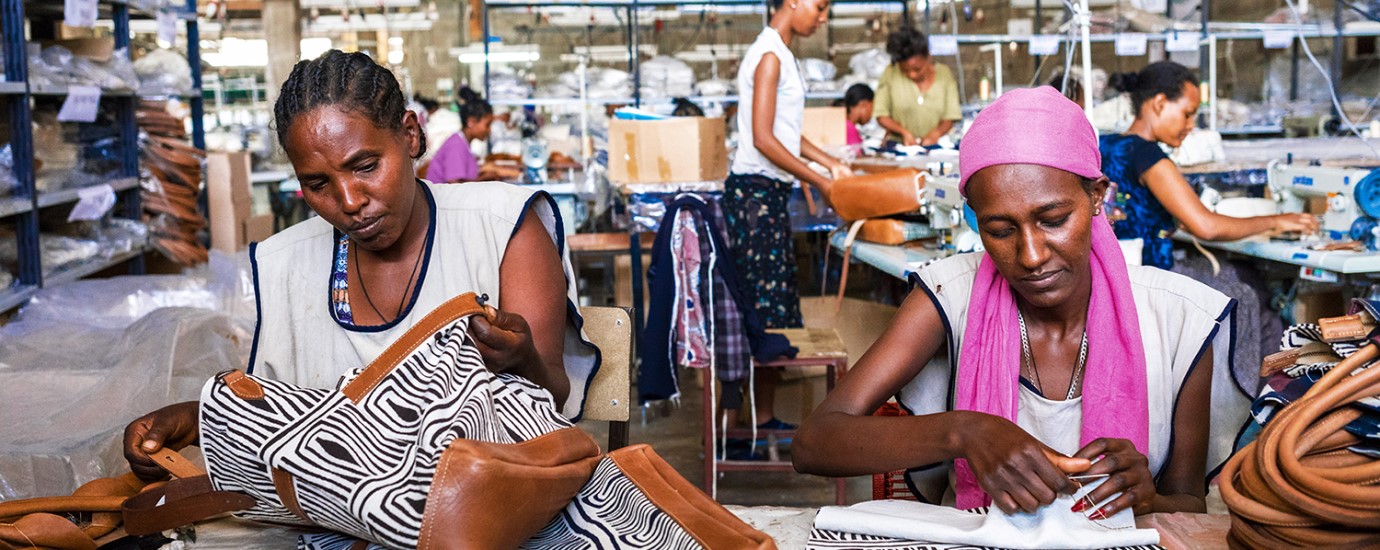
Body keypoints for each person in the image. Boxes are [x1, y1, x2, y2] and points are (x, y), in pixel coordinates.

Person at [121, 50, 598, 480]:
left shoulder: (501, 226)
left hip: (485, 500)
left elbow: (552, 397)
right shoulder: (286, 262)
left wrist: (523, 360)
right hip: (342, 516)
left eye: (366, 166)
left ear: (411, 136)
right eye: (317, 184)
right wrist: (199, 419)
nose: (349, 202)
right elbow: (289, 423)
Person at [794, 87, 1250, 518]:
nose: (1031, 256)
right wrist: (965, 432)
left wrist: (1148, 499)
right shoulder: (949, 297)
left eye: (1053, 220)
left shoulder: (1177, 321)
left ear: (1096, 196)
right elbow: (814, 443)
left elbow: (1189, 503)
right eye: (1000, 230)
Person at [723, 0, 850, 446]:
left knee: (773, 306)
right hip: (756, 198)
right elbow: (762, 138)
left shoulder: (779, 52)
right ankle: (740, 427)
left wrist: (829, 161)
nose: (823, 17)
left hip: (766, 195)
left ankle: (760, 420)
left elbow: (785, 131)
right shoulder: (771, 56)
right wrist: (819, 179)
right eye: (819, 6)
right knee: (764, 310)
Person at [1101, 61, 1317, 270]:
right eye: (1187, 114)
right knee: (1245, 286)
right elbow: (1207, 227)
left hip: (1115, 274)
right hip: (1149, 280)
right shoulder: (1148, 156)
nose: (1190, 125)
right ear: (1160, 104)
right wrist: (1276, 222)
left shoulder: (1106, 145)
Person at [874, 27, 962, 147]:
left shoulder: (944, 74)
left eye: (917, 69)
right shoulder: (890, 73)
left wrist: (935, 134)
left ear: (928, 57)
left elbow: (950, 116)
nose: (912, 75)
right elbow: (881, 114)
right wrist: (904, 132)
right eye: (905, 70)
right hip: (900, 147)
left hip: (937, 147)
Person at [425, 87, 521, 183]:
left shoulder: (463, 144)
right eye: (487, 125)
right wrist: (484, 178)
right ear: (471, 122)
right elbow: (455, 184)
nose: (489, 130)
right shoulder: (456, 145)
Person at [839, 83, 874, 148]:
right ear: (863, 105)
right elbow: (856, 157)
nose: (872, 114)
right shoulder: (849, 129)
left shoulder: (843, 124)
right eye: (872, 107)